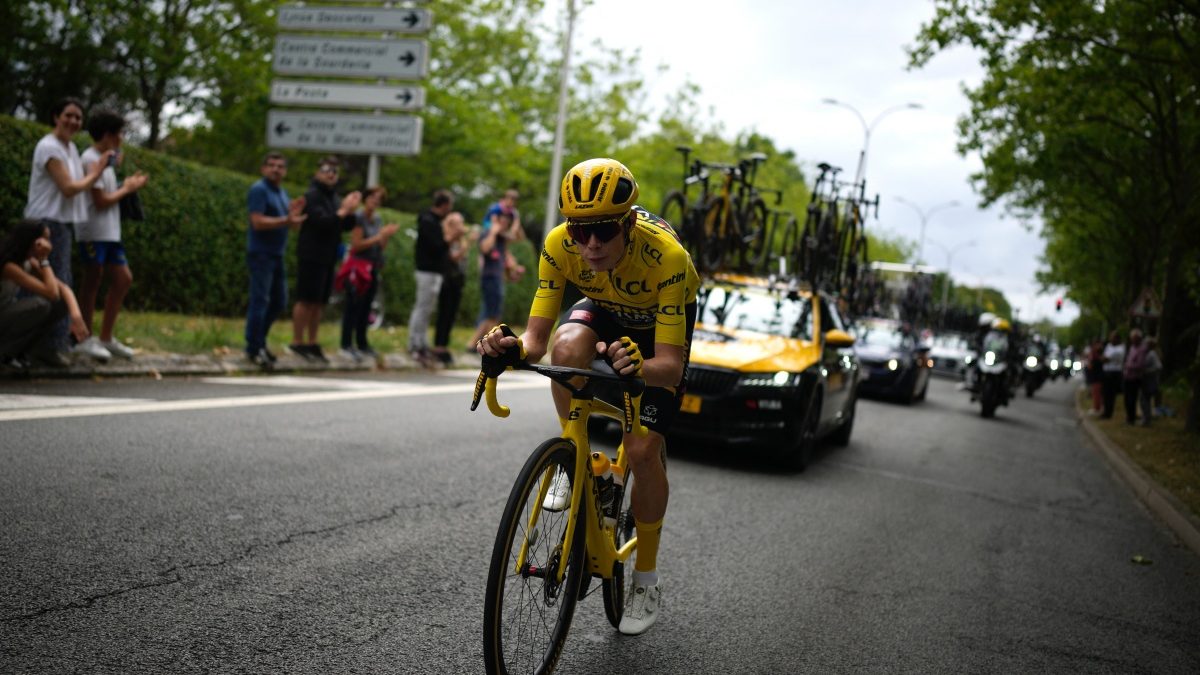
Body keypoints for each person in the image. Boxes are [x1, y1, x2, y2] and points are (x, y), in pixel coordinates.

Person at [478, 158, 700, 635]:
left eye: (603, 230)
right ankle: (573, 457)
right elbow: (537, 342)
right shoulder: (559, 245)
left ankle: (645, 579)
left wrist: (639, 367)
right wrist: (510, 347)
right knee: (566, 346)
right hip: (605, 308)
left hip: (657, 332)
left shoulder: (667, 257)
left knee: (641, 450)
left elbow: (670, 366)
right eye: (581, 231)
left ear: (628, 223)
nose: (591, 244)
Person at [23, 97, 113, 362]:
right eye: (68, 115)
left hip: (61, 224)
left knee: (59, 283)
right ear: (56, 117)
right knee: (49, 285)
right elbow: (69, 187)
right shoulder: (49, 147)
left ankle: (51, 344)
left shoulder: (70, 148)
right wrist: (96, 174)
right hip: (45, 224)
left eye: (78, 117)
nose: (73, 121)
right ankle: (42, 347)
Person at [77, 107, 149, 360]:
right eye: (119, 133)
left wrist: (126, 185)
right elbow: (100, 201)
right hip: (93, 231)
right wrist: (127, 189)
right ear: (107, 135)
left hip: (110, 232)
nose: (121, 139)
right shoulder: (90, 159)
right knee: (92, 280)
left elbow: (108, 194)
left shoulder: (105, 160)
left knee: (123, 279)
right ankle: (84, 338)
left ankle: (106, 338)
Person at [291, 157, 361, 363]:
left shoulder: (334, 197)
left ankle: (312, 341)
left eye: (335, 171)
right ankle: (297, 340)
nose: (331, 174)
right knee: (306, 299)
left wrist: (351, 211)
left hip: (328, 256)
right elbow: (322, 222)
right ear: (317, 173)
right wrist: (343, 211)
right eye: (326, 170)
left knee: (319, 301)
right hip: (311, 253)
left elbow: (344, 225)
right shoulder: (312, 196)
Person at [0, 220, 93, 369]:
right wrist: (44, 259)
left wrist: (76, 318)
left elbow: (64, 289)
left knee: (60, 304)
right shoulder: (9, 266)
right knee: (40, 305)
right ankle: (5, 353)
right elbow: (52, 293)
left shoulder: (28, 262)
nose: (49, 244)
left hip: (6, 311)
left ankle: (21, 352)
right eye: (45, 239)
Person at [244, 152, 306, 369]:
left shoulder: (282, 193)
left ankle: (259, 341)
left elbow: (293, 225)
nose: (275, 169)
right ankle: (253, 348)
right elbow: (257, 221)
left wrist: (294, 216)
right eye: (271, 165)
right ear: (263, 169)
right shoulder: (259, 190)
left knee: (279, 301)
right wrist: (286, 220)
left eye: (280, 166)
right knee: (260, 300)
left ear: (285, 171)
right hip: (261, 253)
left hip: (276, 254)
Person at [340, 186, 399, 361]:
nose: (375, 201)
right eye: (373, 197)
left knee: (366, 307)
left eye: (379, 199)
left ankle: (362, 343)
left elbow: (380, 246)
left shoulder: (377, 219)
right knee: (353, 305)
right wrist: (379, 236)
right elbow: (357, 244)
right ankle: (346, 343)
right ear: (366, 198)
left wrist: (385, 236)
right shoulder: (359, 217)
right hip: (358, 267)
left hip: (372, 266)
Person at [465, 208, 523, 349]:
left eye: (506, 223)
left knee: (491, 314)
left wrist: (516, 220)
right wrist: (493, 231)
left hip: (497, 279)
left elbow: (517, 238)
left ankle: (474, 345)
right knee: (492, 315)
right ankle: (482, 345)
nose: (504, 225)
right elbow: (485, 249)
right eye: (502, 222)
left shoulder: (502, 239)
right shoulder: (488, 233)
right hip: (489, 278)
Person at [409, 189, 455, 364]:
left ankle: (422, 342)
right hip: (426, 270)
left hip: (435, 271)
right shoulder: (428, 221)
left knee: (428, 309)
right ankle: (415, 343)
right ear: (444, 205)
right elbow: (436, 246)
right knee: (422, 307)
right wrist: (451, 237)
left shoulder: (436, 221)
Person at [432, 211, 471, 366]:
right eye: (457, 223)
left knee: (451, 314)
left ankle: (444, 344)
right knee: (444, 312)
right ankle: (438, 345)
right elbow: (453, 257)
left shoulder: (459, 239)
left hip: (457, 281)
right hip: (447, 280)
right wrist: (467, 244)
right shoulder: (447, 238)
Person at [1121, 328, 1146, 425]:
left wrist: (1128, 365)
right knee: (1126, 399)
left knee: (1132, 398)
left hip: (1135, 378)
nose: (1133, 340)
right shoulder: (1132, 348)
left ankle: (1131, 419)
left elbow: (1140, 365)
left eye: (1135, 338)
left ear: (1139, 338)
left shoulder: (1142, 349)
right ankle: (1128, 417)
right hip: (1127, 376)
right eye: (1132, 338)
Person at [1100, 329, 1126, 419]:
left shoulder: (1120, 349)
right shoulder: (1110, 346)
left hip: (1114, 373)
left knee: (1110, 394)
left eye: (1112, 337)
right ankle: (1105, 411)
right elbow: (1104, 357)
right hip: (1107, 372)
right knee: (1105, 394)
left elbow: (1105, 359)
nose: (1110, 339)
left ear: (1117, 339)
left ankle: (1108, 413)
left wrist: (1103, 358)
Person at [1139, 336, 1162, 427]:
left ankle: (1146, 420)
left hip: (1150, 381)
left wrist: (1147, 371)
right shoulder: (1148, 353)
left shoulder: (1152, 354)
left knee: (1145, 400)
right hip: (1146, 380)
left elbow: (1158, 367)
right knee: (1144, 400)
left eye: (1145, 343)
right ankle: (1145, 418)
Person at [1085, 337, 1105, 415]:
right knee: (1096, 392)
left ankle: (1097, 408)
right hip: (1095, 375)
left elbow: (1091, 364)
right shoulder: (1096, 352)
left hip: (1097, 376)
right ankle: (1097, 407)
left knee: (1097, 393)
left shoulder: (1096, 353)